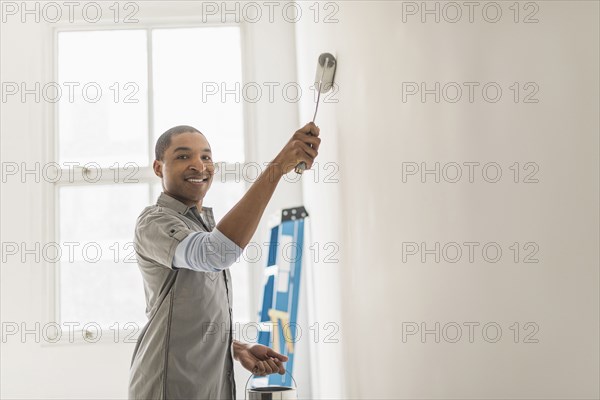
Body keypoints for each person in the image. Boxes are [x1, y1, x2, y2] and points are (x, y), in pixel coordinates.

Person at [128, 122, 321, 399]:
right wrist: (277, 168)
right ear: (159, 168)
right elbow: (216, 253)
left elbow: (193, 315)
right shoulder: (154, 222)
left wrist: (237, 348)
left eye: (206, 156)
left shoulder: (202, 226)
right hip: (169, 388)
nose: (199, 165)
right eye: (183, 156)